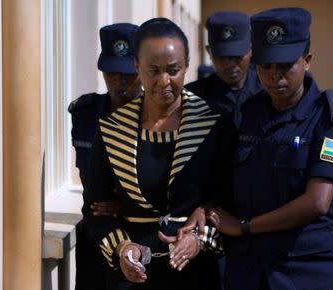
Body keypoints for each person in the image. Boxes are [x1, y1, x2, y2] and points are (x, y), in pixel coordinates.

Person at [185, 7, 333, 290]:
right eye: (265, 66)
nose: (274, 76)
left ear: (307, 60)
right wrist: (206, 208)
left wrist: (244, 226)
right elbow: (226, 178)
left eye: (285, 66)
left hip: (310, 269)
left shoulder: (329, 118)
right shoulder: (249, 114)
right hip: (252, 270)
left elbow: (317, 202)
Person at [83, 18, 234, 290]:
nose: (164, 81)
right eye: (153, 70)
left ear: (187, 65)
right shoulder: (112, 128)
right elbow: (96, 210)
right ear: (137, 67)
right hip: (130, 279)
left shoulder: (214, 124)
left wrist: (199, 241)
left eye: (173, 70)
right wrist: (122, 247)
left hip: (197, 276)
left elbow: (230, 201)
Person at [68, 23, 141, 290]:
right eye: (111, 72)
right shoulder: (85, 113)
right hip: (93, 236)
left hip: (135, 234)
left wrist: (128, 205)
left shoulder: (156, 119)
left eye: (127, 73)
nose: (120, 81)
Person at [185, 11, 262, 127]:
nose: (229, 64)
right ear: (209, 52)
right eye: (221, 56)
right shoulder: (191, 98)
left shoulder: (269, 92)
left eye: (237, 56)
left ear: (251, 50)